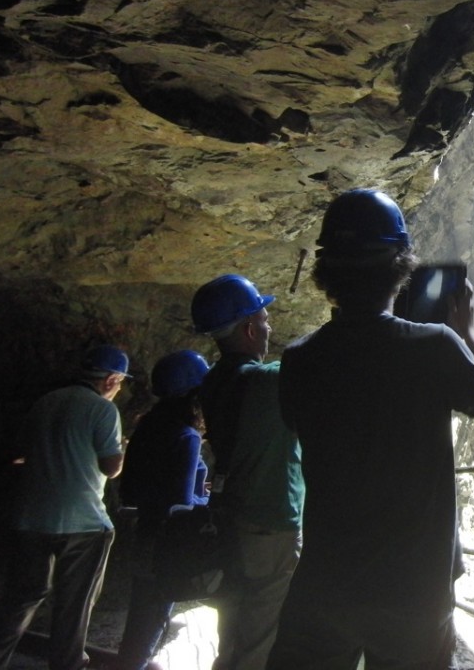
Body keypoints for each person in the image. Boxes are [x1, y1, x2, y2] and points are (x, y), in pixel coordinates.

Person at [266, 188, 474, 670]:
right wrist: (470, 336)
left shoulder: (299, 360)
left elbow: (305, 422)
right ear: (400, 269)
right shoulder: (434, 346)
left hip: (325, 583)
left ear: (326, 273)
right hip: (414, 589)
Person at [0, 344, 129, 670]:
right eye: (120, 383)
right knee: (74, 606)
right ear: (111, 380)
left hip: (30, 518)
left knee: (20, 600)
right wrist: (121, 448)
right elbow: (110, 467)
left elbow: (19, 454)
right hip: (84, 523)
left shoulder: (45, 403)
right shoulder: (103, 410)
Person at [190, 275, 304, 670]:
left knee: (233, 624)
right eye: (266, 318)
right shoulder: (265, 381)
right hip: (269, 521)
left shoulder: (212, 380)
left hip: (230, 516)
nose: (270, 327)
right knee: (262, 632)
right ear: (250, 327)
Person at [112, 349, 211, 670]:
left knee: (140, 617)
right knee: (152, 620)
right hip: (166, 542)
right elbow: (180, 502)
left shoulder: (146, 427)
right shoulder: (186, 436)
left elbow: (130, 488)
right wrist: (209, 501)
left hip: (143, 533)